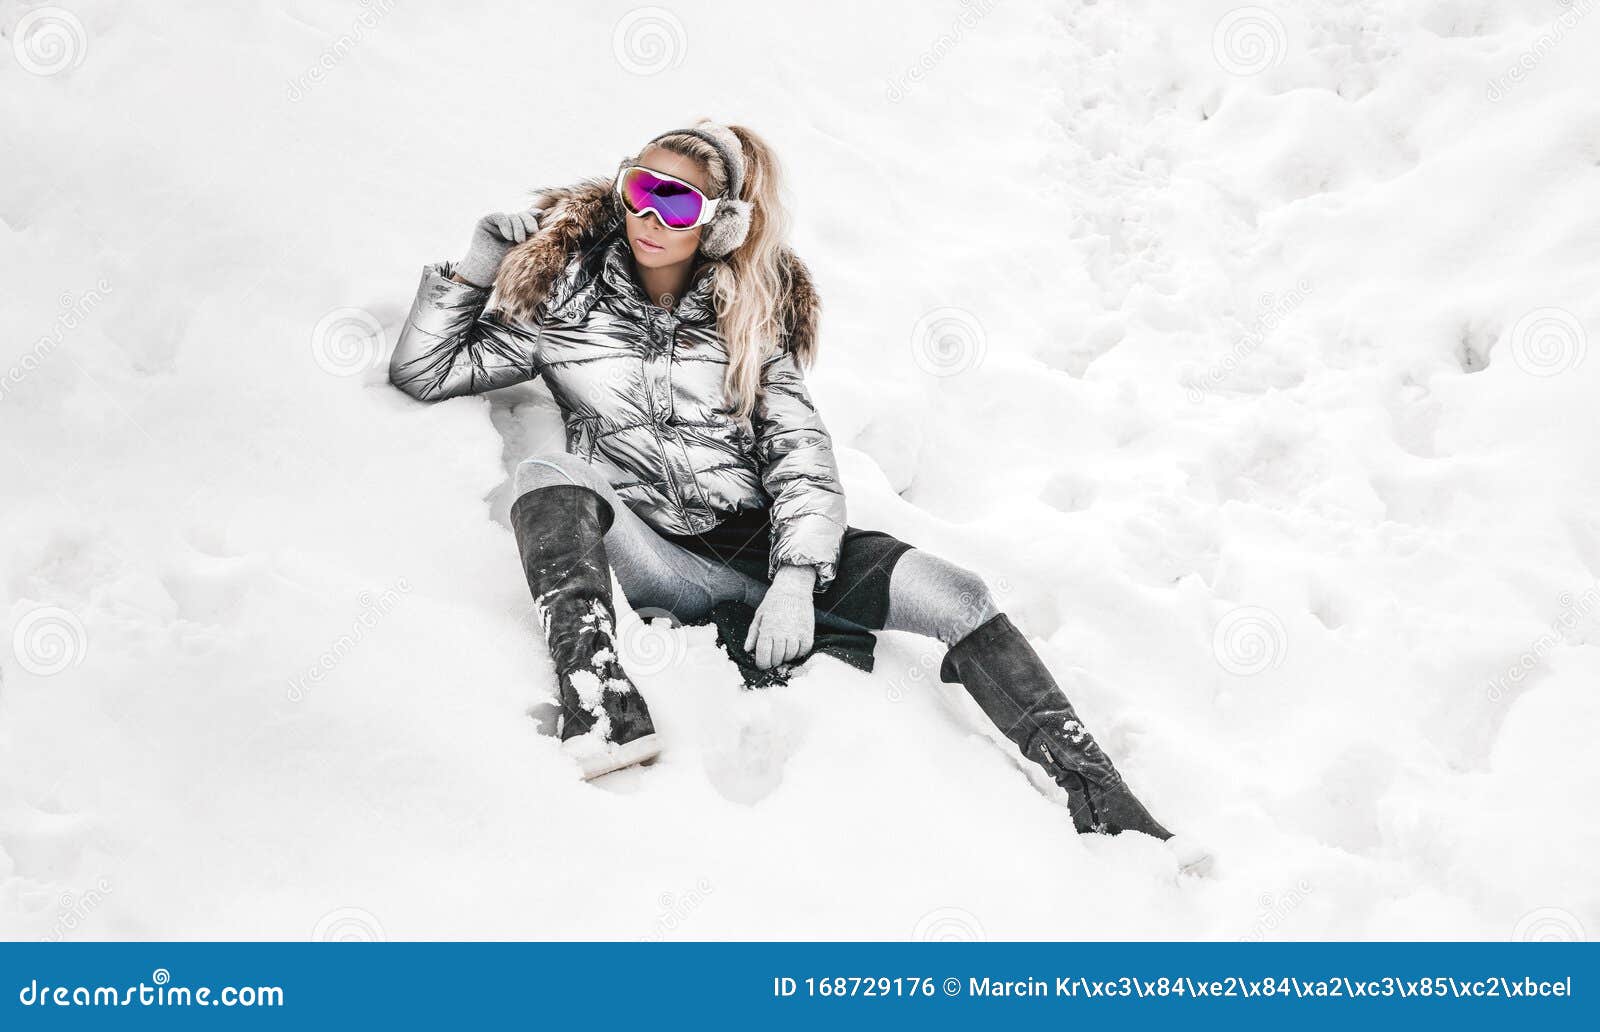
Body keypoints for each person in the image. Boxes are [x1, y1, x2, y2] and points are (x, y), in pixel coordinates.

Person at [388, 119, 1182, 847]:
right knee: (545, 474)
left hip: (766, 550)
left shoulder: (750, 322)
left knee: (960, 595)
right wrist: (478, 265)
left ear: (719, 221)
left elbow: (802, 456)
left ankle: (1101, 798)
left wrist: (798, 578)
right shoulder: (565, 303)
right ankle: (598, 702)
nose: (650, 215)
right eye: (638, 187)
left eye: (676, 198)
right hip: (652, 550)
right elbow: (427, 371)